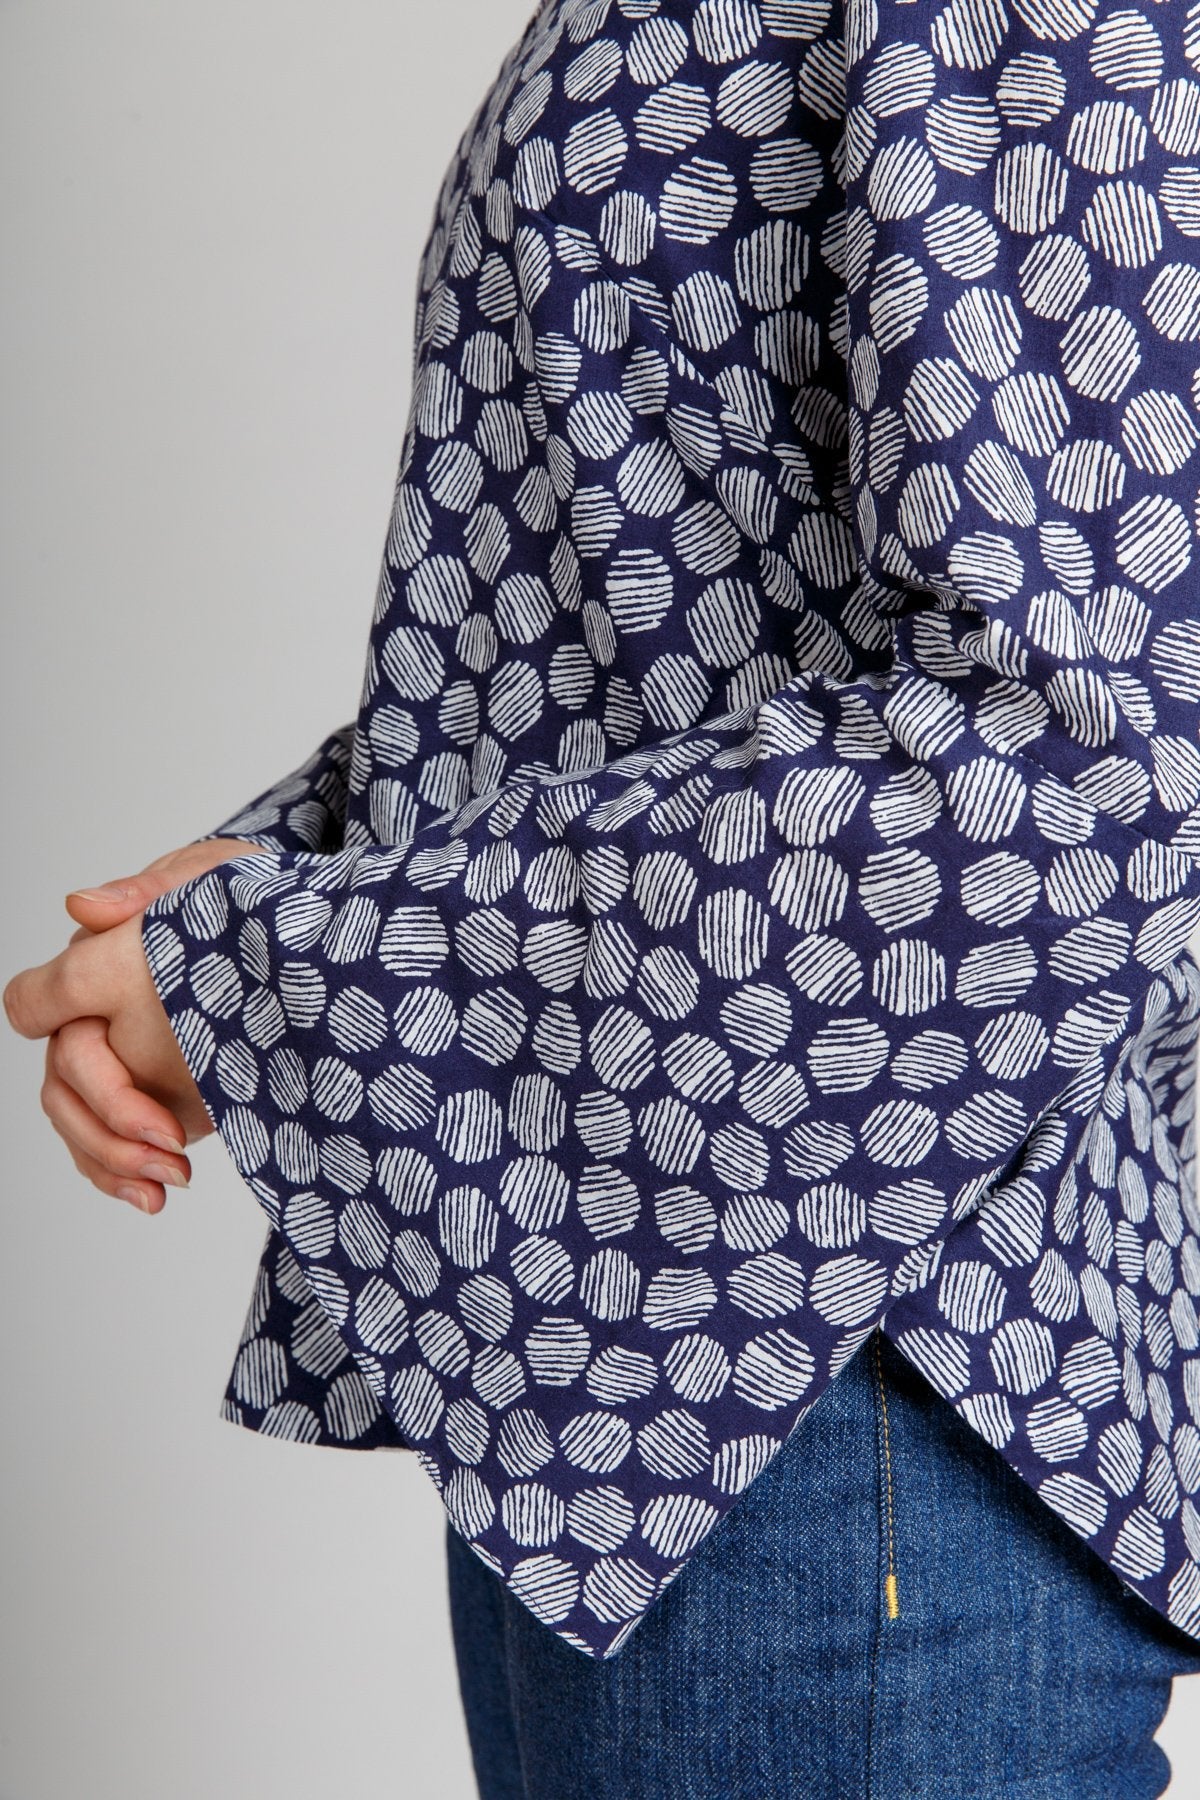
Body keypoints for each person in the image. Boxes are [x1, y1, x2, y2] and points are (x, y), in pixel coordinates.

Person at [8, 0, 1200, 1789]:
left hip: (854, 1387)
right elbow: (656, 623)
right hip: (675, 1381)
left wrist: (283, 976)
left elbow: (1071, 770)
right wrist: (276, 888)